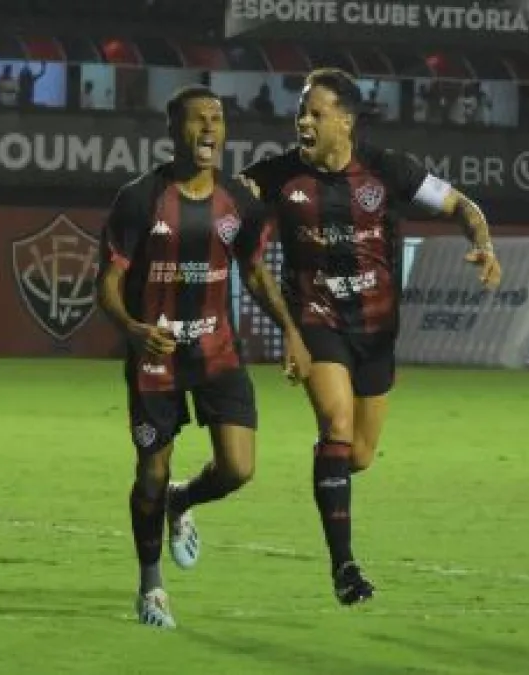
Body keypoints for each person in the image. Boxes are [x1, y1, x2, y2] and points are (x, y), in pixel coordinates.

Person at [243, 68, 503, 605]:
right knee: (336, 423)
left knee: (357, 454)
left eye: (316, 112)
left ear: (346, 120)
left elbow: (463, 206)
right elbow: (221, 201)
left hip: (377, 331)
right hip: (316, 318)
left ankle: (329, 467)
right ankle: (344, 568)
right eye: (301, 111)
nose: (303, 121)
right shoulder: (277, 176)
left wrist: (483, 243)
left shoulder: (389, 170)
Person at [98, 85, 312, 629]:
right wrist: (132, 329)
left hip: (217, 351)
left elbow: (256, 273)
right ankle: (151, 587)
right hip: (156, 356)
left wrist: (291, 332)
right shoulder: (139, 199)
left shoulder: (239, 203)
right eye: (198, 119)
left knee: (239, 468)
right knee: (151, 472)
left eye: (217, 119)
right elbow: (108, 283)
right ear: (174, 129)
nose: (210, 128)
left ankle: (183, 500)